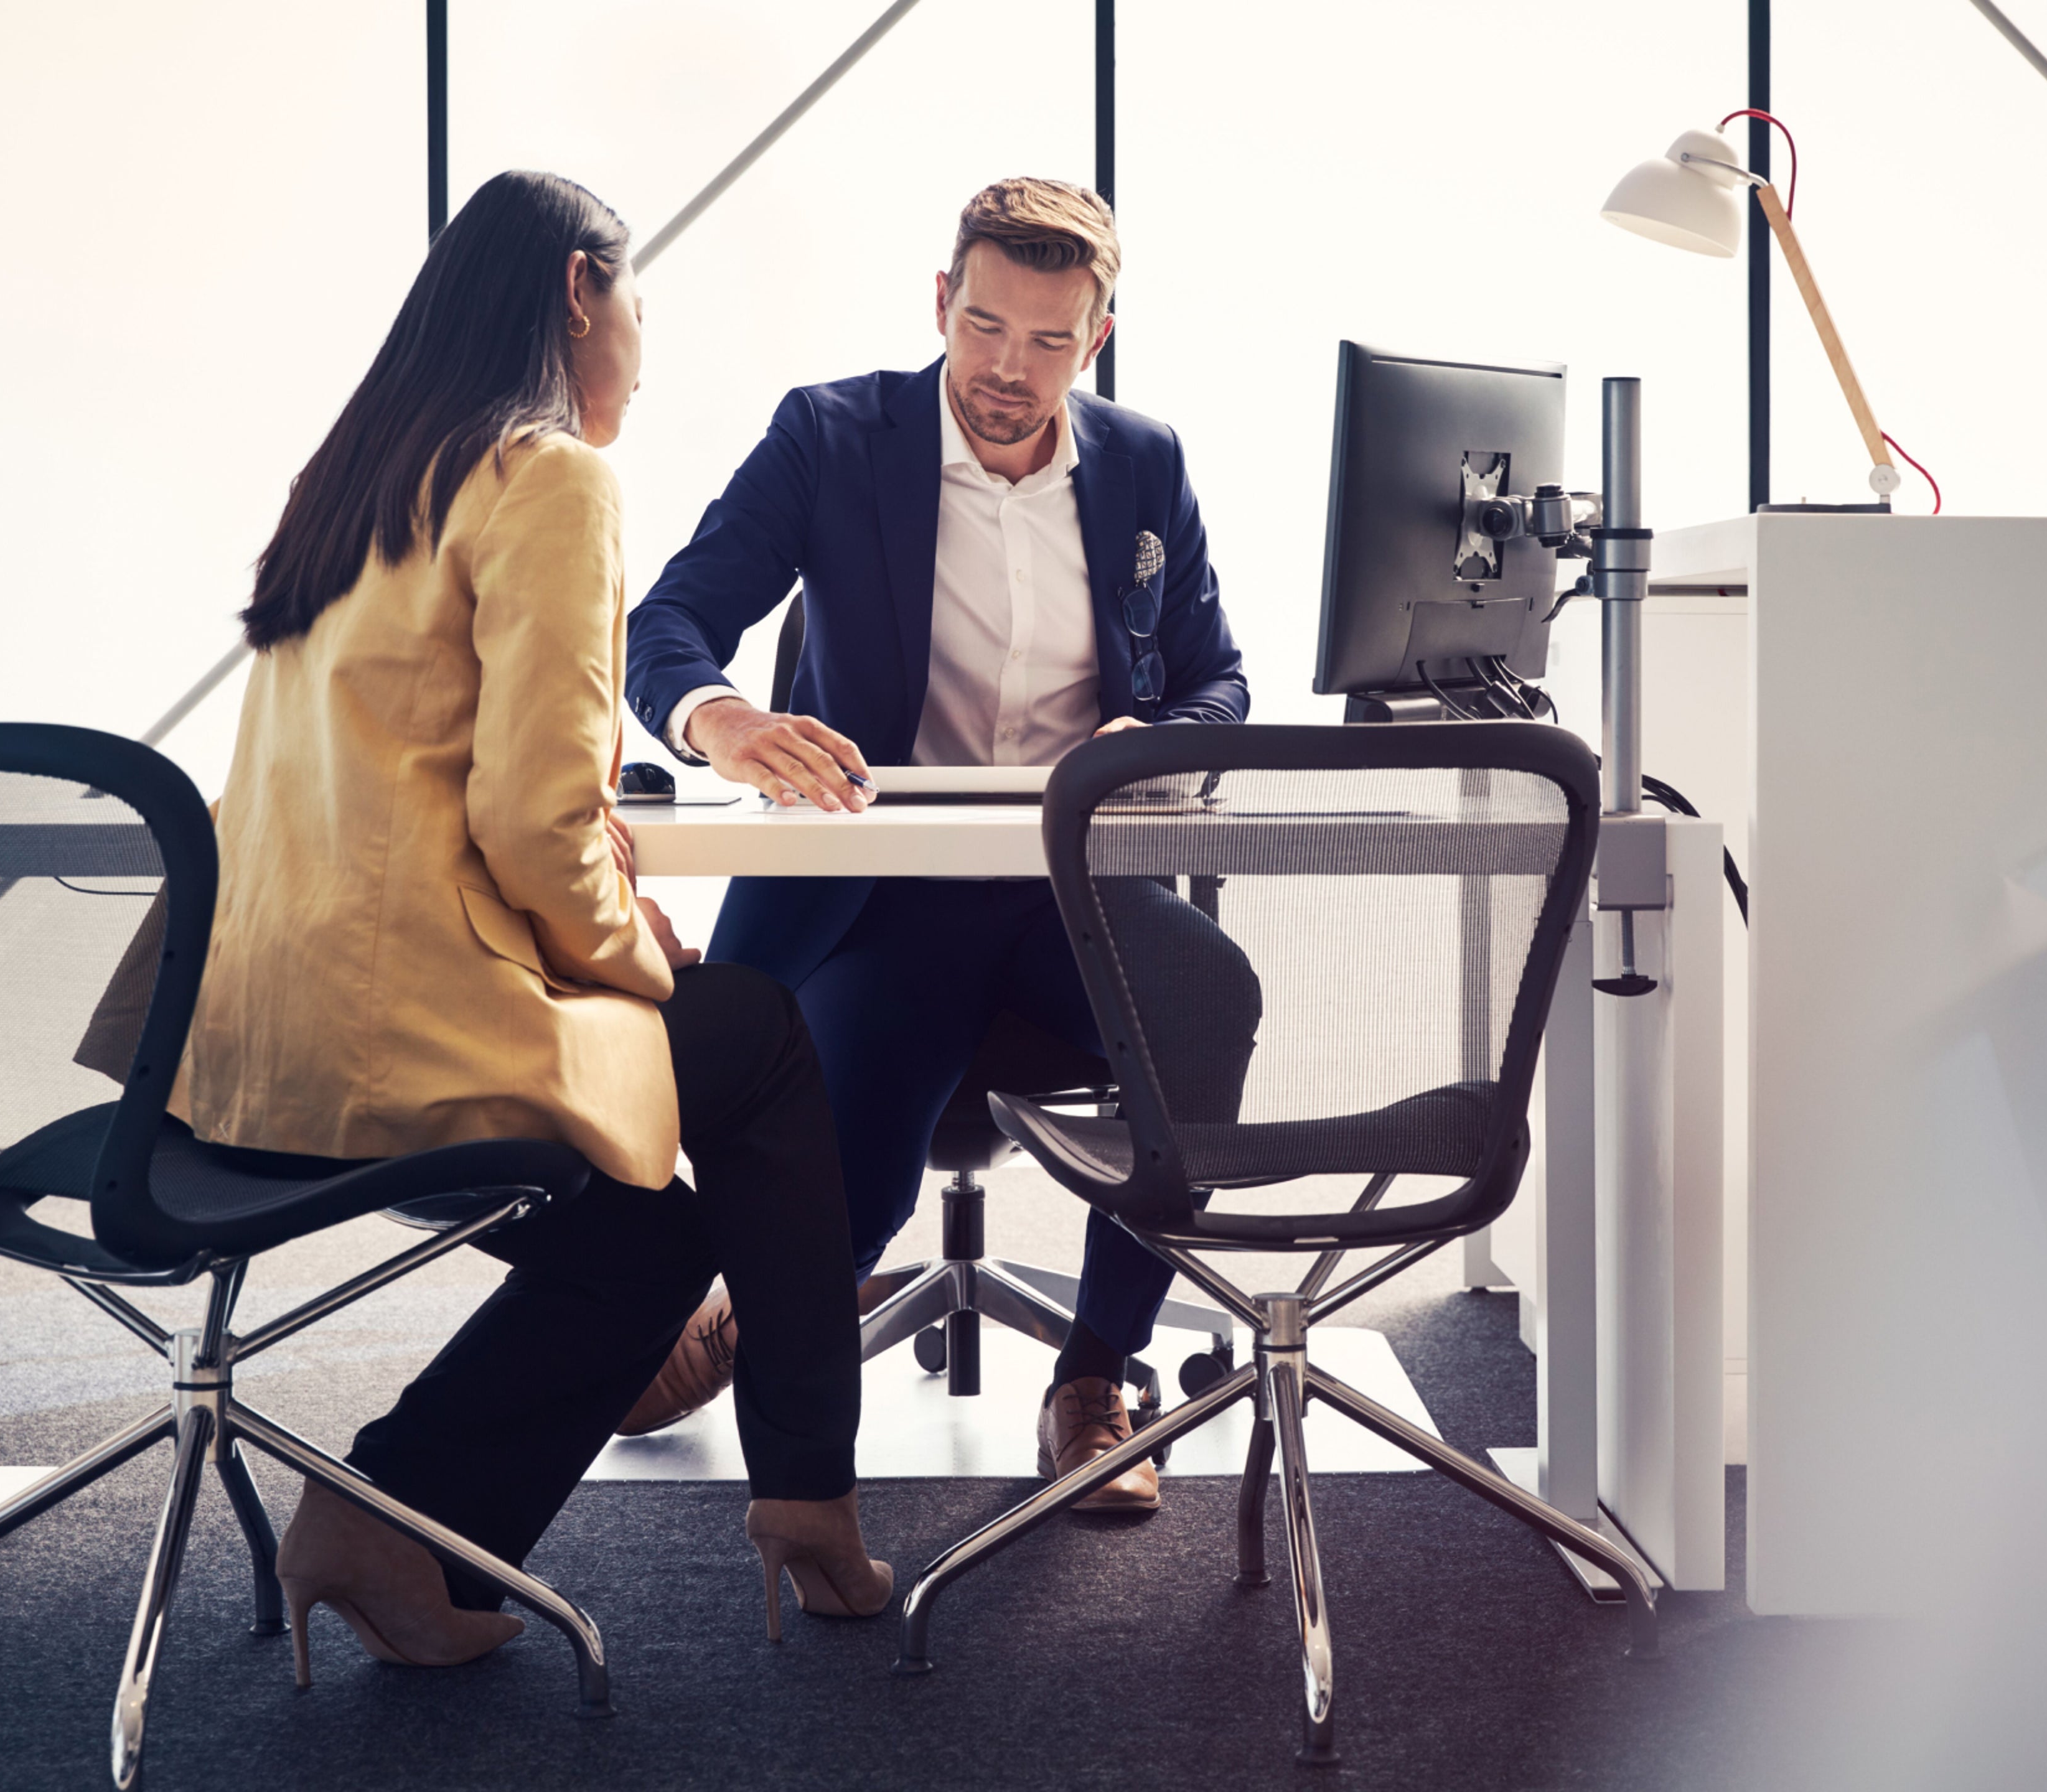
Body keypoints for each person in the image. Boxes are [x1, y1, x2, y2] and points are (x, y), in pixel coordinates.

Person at [172, 170, 888, 1681]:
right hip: (405, 1030)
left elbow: (420, 777)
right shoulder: (548, 476)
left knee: (652, 1236)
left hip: (250, 1038)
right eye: (640, 303)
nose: (646, 342)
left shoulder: (360, 476)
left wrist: (589, 885)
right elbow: (530, 826)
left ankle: (393, 1519)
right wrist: (640, 952)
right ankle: (809, 1495)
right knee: (752, 1034)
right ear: (581, 290)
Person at [624, 178, 1261, 1514]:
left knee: (1211, 998)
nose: (1006, 371)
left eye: (1046, 340)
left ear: (1095, 336)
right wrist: (723, 718)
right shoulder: (834, 435)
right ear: (941, 304)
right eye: (983, 328)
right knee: (850, 1198)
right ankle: (752, 1323)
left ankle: (1097, 1378)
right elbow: (670, 622)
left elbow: (1219, 680)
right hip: (885, 894)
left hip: (1066, 892)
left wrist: (1141, 750)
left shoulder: (1143, 464)